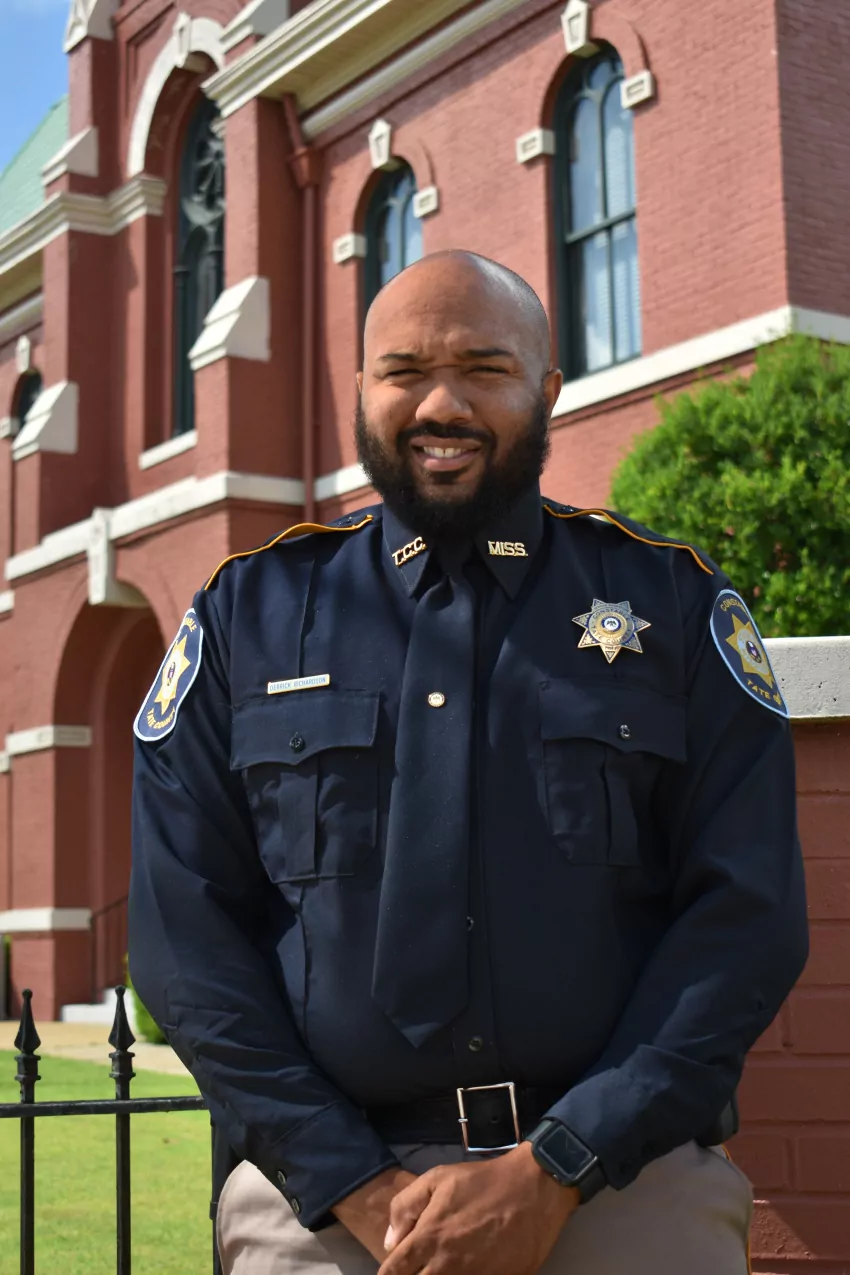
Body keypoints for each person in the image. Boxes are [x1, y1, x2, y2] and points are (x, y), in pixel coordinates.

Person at [129, 251, 808, 1275]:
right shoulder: (246, 619)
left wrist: (561, 1165)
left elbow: (746, 918)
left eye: (484, 369)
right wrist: (353, 1185)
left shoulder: (671, 607)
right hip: (326, 1199)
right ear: (361, 392)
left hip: (620, 1180)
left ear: (547, 391)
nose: (440, 403)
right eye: (403, 371)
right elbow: (183, 935)